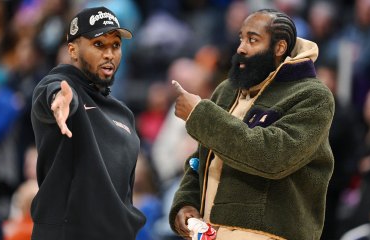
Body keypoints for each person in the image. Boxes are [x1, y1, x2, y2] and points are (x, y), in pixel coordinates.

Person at [169, 9, 335, 240]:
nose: (241, 48)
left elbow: (274, 156)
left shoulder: (312, 95)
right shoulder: (227, 90)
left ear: (279, 47)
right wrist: (186, 202)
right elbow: (201, 159)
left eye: (253, 40)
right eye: (241, 38)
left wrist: (200, 115)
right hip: (209, 232)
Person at [30, 6, 145, 240]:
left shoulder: (124, 114)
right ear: (73, 50)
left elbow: (125, 192)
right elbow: (56, 93)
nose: (109, 54)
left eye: (115, 45)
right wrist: (60, 101)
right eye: (98, 44)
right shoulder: (58, 85)